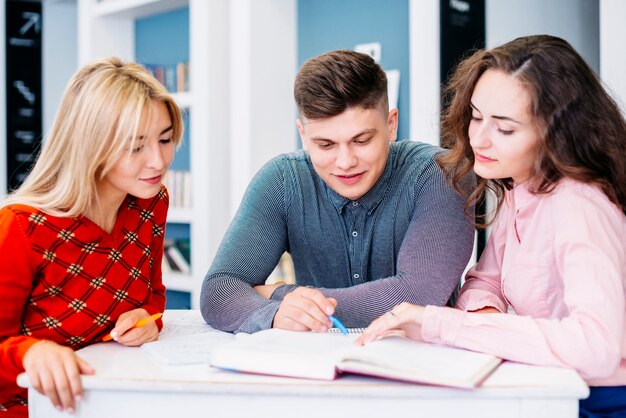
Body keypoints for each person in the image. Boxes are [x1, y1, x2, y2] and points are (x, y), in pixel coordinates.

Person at [356, 35, 626, 417]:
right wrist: (487, 327)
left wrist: (448, 326)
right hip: (553, 387)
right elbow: (486, 281)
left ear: (555, 134)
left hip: (603, 401)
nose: (478, 138)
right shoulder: (522, 187)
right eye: (476, 117)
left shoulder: (578, 204)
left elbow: (597, 347)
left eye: (505, 128)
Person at [200, 50, 474, 334]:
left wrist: (281, 295)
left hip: (421, 365)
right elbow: (219, 290)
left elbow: (417, 296)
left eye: (362, 140)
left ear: (391, 125)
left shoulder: (441, 173)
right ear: (303, 134)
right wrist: (275, 314)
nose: (345, 162)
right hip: (318, 366)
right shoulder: (282, 180)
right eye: (325, 145)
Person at [0, 57, 183, 416]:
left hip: (109, 401)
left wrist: (148, 320)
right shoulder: (20, 228)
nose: (158, 161)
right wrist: (32, 352)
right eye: (135, 146)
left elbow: (153, 296)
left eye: (165, 139)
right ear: (91, 144)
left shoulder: (150, 203)